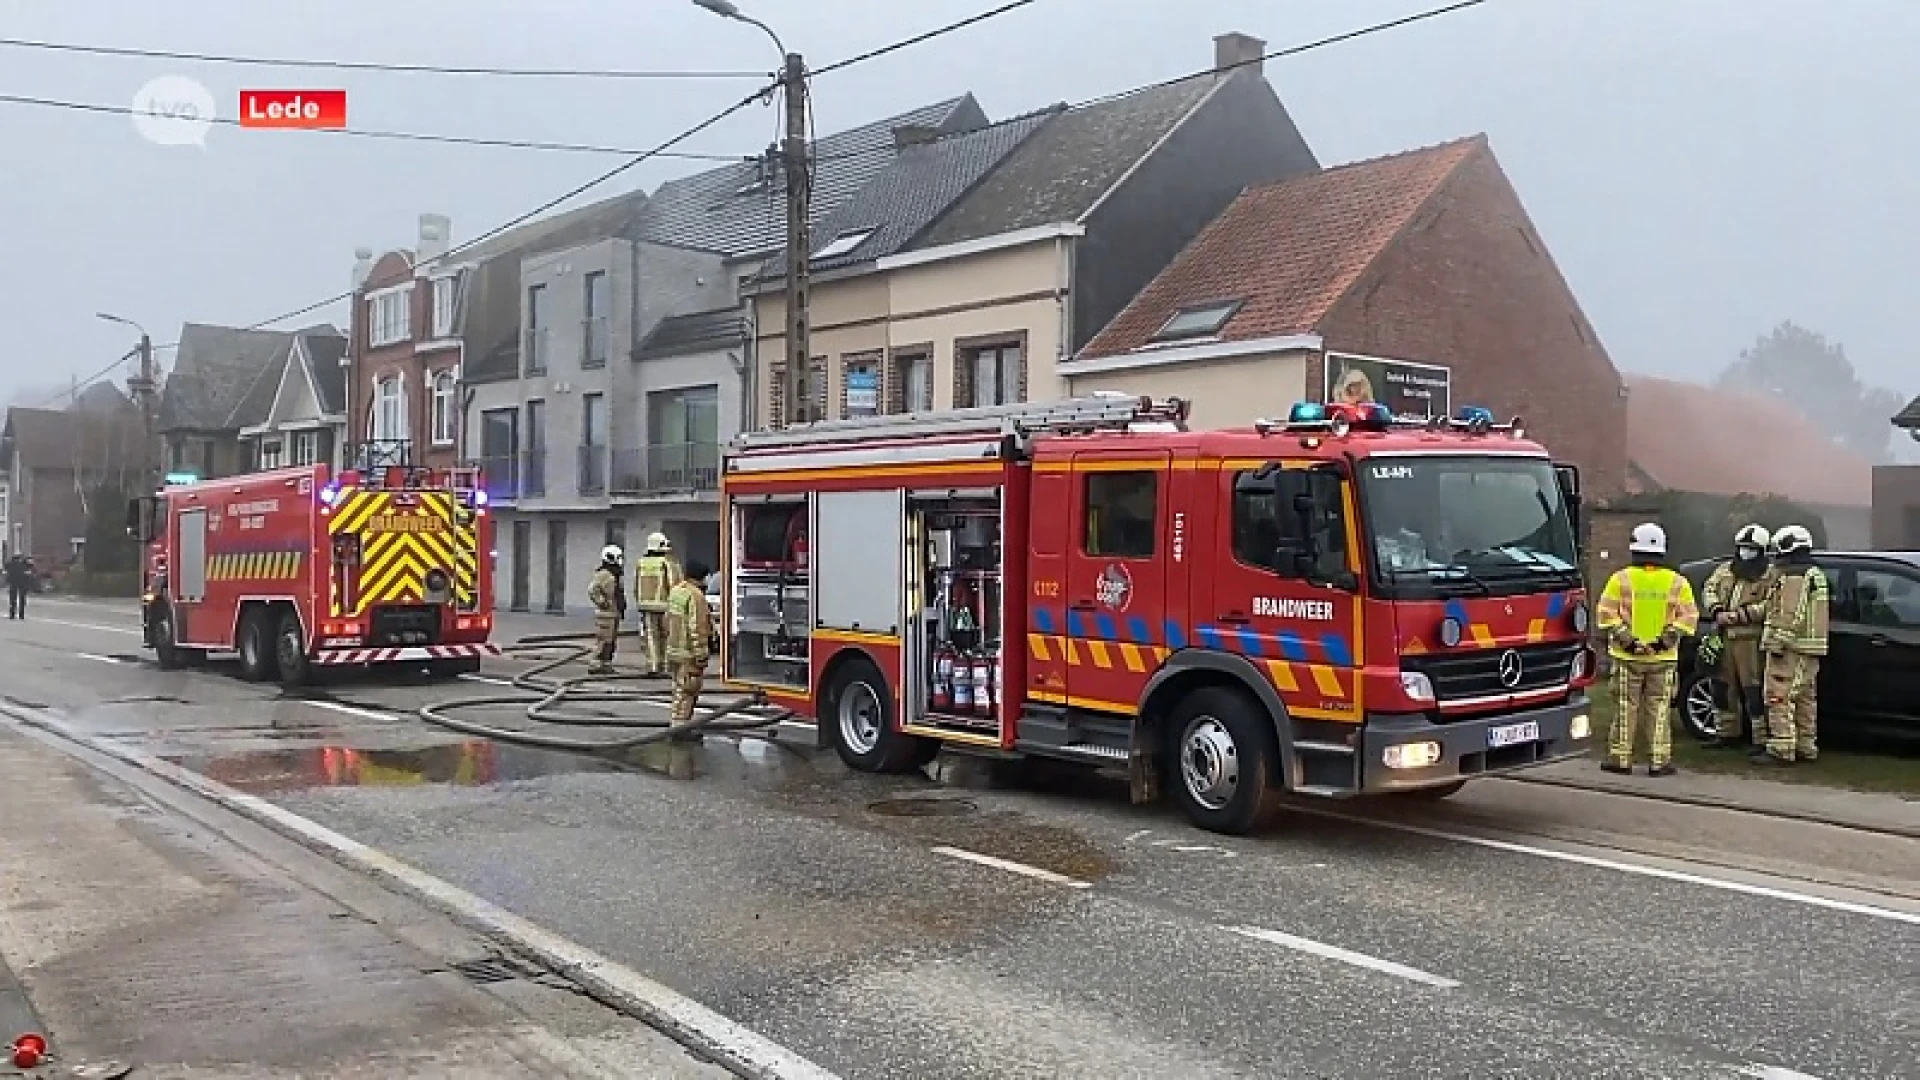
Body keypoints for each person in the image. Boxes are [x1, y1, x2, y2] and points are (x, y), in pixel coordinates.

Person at [1594, 522, 1699, 776]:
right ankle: (1659, 761)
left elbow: (1606, 614)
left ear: (1633, 548)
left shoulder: (1620, 580)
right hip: (1662, 658)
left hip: (1627, 656)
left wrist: (1629, 641)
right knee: (1659, 708)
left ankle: (1620, 759)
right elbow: (1689, 617)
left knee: (1624, 706)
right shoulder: (1678, 582)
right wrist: (1663, 641)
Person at [1698, 524, 1778, 749]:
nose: (1745, 552)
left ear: (1762, 551)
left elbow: (1771, 604)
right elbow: (1709, 589)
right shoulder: (1725, 570)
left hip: (1750, 641)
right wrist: (1717, 611)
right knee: (1722, 688)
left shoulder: (1770, 575)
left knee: (1753, 691)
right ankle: (1726, 734)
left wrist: (1743, 615)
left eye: (1751, 548)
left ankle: (1760, 740)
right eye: (1742, 547)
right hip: (1724, 638)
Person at [1756, 524, 1827, 765]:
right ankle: (1806, 746)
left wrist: (1778, 642)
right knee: (1805, 698)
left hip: (1791, 648)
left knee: (1778, 695)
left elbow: (1789, 613)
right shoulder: (1814, 573)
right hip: (1809, 647)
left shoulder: (1794, 576)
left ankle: (1781, 747)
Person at [663, 558, 713, 743]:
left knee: (679, 689)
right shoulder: (696, 596)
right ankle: (681, 728)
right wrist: (701, 654)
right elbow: (697, 628)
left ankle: (677, 724)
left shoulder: (676, 591)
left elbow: (666, 620)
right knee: (688, 691)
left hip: (674, 650)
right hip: (688, 653)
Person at [633, 531, 682, 678]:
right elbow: (674, 585)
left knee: (650, 636)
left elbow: (636, 586)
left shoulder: (641, 563)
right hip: (665, 605)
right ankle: (667, 666)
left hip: (646, 606)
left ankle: (653, 665)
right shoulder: (667, 563)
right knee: (668, 636)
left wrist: (639, 601)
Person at [585, 544, 627, 676]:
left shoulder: (615, 574)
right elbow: (592, 589)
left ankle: (606, 664)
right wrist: (602, 602)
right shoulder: (604, 574)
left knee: (610, 641)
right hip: (605, 614)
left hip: (613, 613)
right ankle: (596, 664)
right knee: (603, 640)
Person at [4, 552, 32, 620]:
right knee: (22, 599)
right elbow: (29, 571)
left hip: (13, 583)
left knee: (13, 599)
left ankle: (12, 614)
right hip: (22, 584)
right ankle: (21, 615)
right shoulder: (25, 564)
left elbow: (6, 571)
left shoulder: (10, 564)